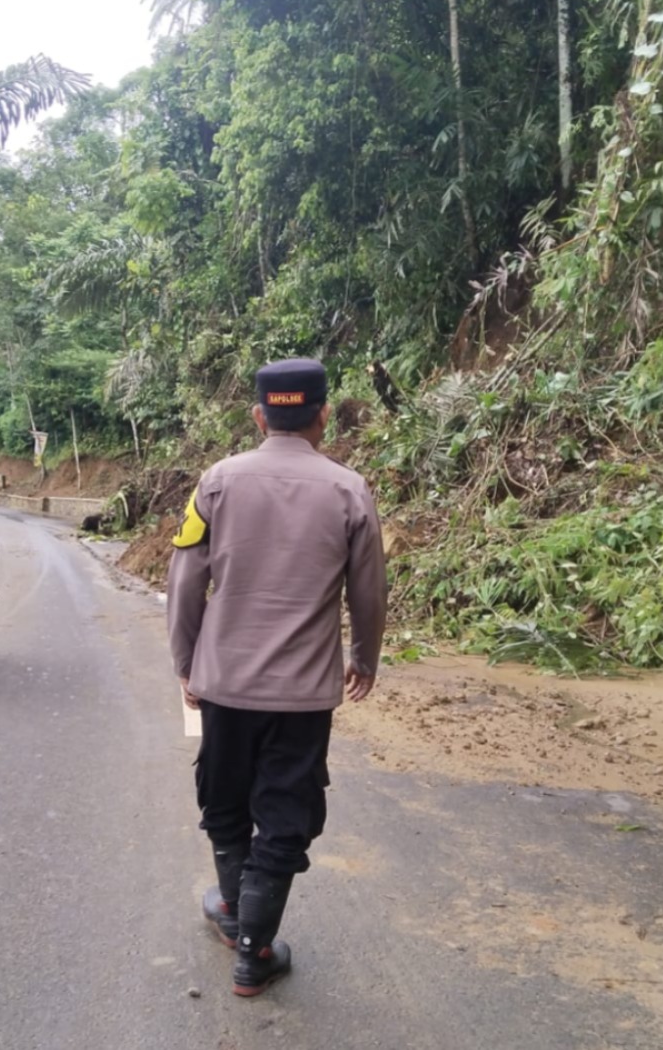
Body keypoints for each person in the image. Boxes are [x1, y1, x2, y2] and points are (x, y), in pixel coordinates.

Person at [166, 358, 387, 997]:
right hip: (303, 695)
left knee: (225, 794)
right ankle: (252, 949)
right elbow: (368, 591)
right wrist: (364, 658)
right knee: (286, 808)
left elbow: (185, 582)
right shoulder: (350, 489)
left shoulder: (217, 481)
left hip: (225, 685)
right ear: (324, 415)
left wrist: (187, 663)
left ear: (259, 415)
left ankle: (238, 915)